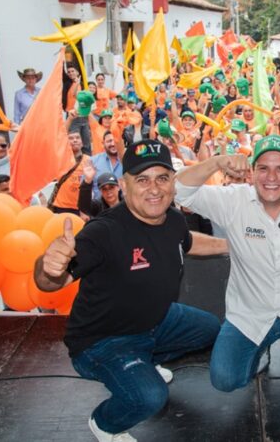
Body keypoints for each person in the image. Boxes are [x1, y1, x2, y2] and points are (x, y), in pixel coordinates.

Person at [34, 139, 226, 442]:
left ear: (173, 183)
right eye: (142, 180)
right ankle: (105, 424)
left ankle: (144, 361)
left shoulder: (173, 219)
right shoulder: (103, 232)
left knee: (209, 328)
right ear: (124, 185)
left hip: (156, 320)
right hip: (103, 341)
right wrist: (49, 267)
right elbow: (50, 281)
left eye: (162, 178)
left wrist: (232, 245)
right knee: (150, 397)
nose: (154, 188)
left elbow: (187, 241)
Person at [175, 134, 280, 404]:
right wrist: (217, 162)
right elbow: (177, 189)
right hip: (249, 315)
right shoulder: (233, 200)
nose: (272, 177)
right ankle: (260, 349)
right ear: (251, 172)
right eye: (263, 168)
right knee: (225, 379)